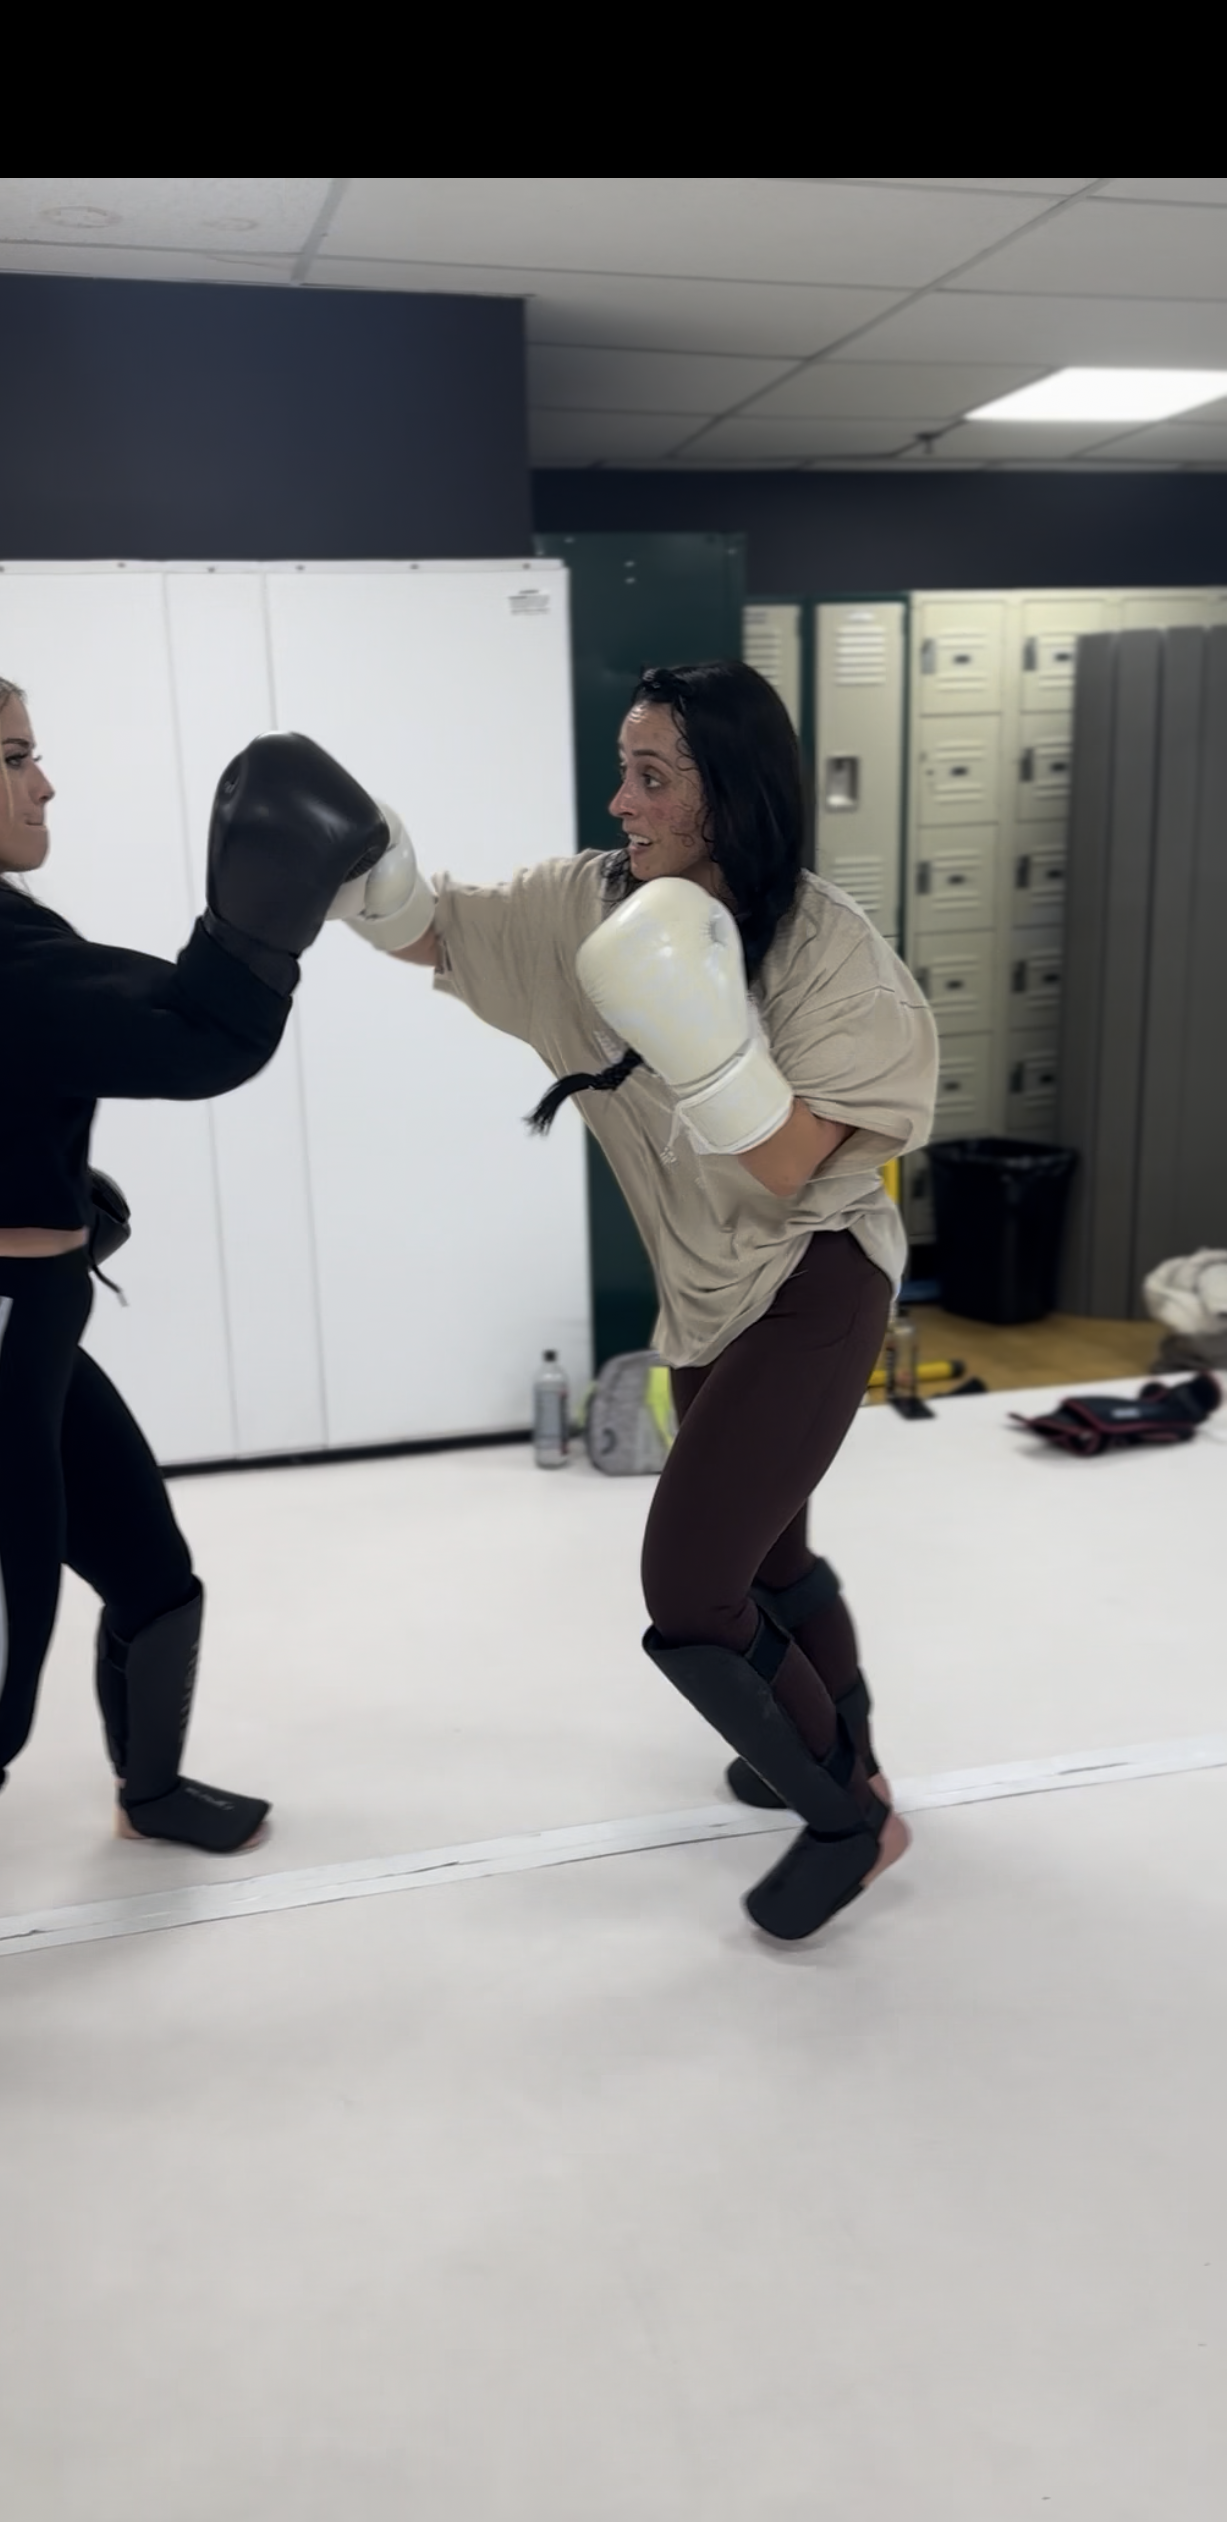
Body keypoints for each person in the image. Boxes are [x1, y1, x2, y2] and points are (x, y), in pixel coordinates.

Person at [329, 661, 939, 1942]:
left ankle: (851, 1820)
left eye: (653, 777)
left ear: (734, 794)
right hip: (708, 1291)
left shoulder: (828, 951)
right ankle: (852, 1756)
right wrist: (358, 865)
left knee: (692, 1581)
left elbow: (788, 1164)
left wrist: (701, 1026)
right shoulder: (585, 903)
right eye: (624, 770)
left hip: (817, 1277)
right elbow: (437, 931)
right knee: (770, 1558)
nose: (622, 801)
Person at [0, 656, 388, 1898]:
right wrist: (262, 914)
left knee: (154, 1579)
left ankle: (154, 1792)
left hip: (24, 1327)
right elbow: (193, 1038)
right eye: (14, 756)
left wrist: (27, 1185)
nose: (45, 785)